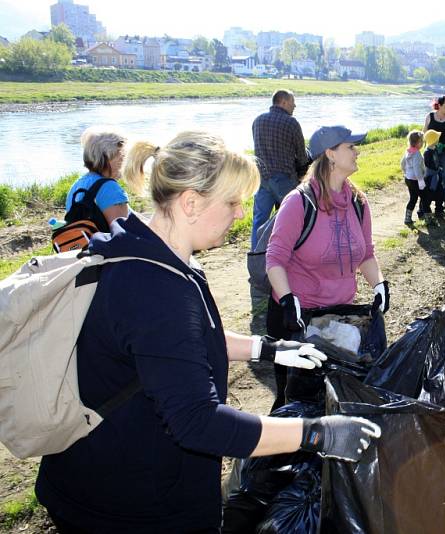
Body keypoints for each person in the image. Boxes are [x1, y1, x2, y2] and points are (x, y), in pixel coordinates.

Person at [35, 131, 381, 533]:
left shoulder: (149, 250)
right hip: (123, 504)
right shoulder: (155, 289)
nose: (240, 214)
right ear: (191, 203)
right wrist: (317, 433)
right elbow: (199, 423)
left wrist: (265, 349)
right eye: (232, 202)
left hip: (110, 472)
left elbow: (185, 339)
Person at [266, 125, 389, 410]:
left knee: (334, 393)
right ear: (330, 154)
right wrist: (287, 299)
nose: (357, 151)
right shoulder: (299, 202)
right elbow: (275, 258)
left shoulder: (358, 202)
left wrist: (379, 284)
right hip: (298, 318)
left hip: (339, 317)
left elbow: (366, 253)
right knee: (293, 398)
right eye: (350, 147)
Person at [251, 89, 310, 249]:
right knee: (290, 218)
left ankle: (256, 256)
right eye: (292, 102)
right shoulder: (291, 123)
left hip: (261, 178)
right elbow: (301, 155)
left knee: (260, 220)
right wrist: (303, 171)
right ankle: (287, 254)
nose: (295, 106)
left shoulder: (258, 121)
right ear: (283, 102)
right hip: (284, 178)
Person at [63, 127, 130, 230]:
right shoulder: (109, 187)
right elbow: (124, 233)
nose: (124, 162)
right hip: (107, 246)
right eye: (121, 156)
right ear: (106, 157)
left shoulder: (77, 185)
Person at [419, 129, 445, 223]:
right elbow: (428, 164)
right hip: (430, 177)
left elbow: (437, 160)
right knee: (427, 195)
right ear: (433, 140)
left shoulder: (435, 149)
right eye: (437, 138)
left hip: (437, 175)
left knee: (440, 192)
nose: (438, 140)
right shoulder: (427, 152)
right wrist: (435, 169)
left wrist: (439, 167)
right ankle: (422, 211)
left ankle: (439, 209)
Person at [400, 130, 425, 224]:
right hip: (416, 180)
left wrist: (406, 172)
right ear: (417, 143)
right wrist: (421, 180)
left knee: (413, 198)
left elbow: (402, 163)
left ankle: (407, 218)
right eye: (422, 141)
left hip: (408, 179)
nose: (423, 143)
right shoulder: (417, 154)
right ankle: (424, 215)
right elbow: (417, 168)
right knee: (424, 196)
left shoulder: (408, 151)